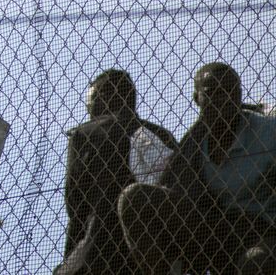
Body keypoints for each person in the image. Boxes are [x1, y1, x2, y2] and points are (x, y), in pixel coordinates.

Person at [118, 62, 276, 274]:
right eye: (214, 93)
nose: (224, 100)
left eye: (230, 91)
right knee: (133, 197)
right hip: (217, 228)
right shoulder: (194, 144)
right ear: (197, 99)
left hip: (263, 230)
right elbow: (172, 189)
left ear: (239, 94)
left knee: (256, 262)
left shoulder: (268, 132)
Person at [56, 69, 177, 275]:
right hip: (155, 250)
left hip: (101, 250)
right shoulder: (161, 136)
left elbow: (75, 203)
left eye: (91, 100)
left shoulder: (85, 135)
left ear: (105, 98)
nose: (88, 108)